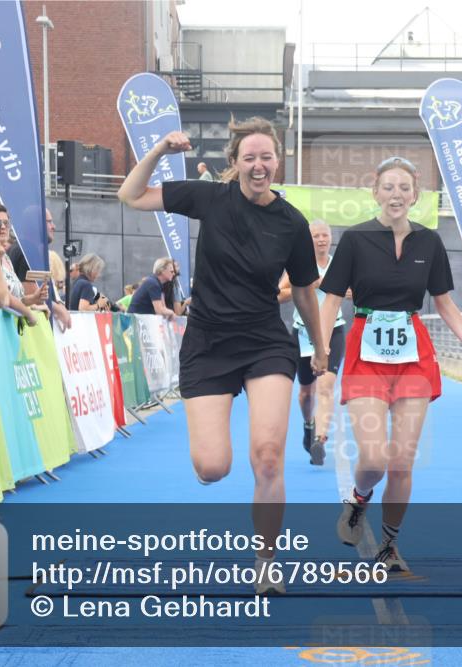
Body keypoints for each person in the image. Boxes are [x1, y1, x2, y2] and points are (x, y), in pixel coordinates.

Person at [118, 117, 327, 595]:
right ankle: (216, 472)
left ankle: (267, 562)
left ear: (279, 162)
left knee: (269, 456)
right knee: (212, 468)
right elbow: (130, 195)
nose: (259, 165)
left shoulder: (292, 222)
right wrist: (156, 150)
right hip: (209, 342)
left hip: (264, 342)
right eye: (249, 158)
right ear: (234, 165)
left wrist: (319, 346)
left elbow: (304, 292)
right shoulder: (209, 198)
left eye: (266, 157)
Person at [320, 157, 462, 572]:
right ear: (375, 193)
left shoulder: (429, 242)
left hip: (413, 354)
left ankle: (389, 546)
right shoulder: (356, 239)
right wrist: (322, 348)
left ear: (415, 196)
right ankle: (359, 500)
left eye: (404, 188)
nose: (396, 194)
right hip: (366, 349)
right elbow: (330, 300)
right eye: (388, 187)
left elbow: (443, 301)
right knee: (375, 459)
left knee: (402, 461)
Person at [278, 220, 348, 465]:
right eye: (316, 236)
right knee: (306, 393)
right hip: (302, 333)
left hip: (333, 330)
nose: (321, 239)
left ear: (331, 238)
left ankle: (320, 439)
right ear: (309, 240)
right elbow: (279, 294)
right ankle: (309, 425)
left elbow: (359, 290)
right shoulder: (299, 264)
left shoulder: (339, 264)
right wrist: (310, 285)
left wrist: (349, 291)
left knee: (326, 387)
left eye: (325, 235)